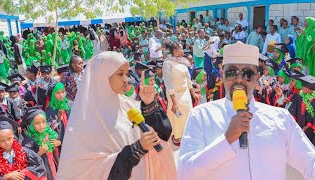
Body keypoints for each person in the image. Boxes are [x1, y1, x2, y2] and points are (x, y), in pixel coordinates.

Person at [178, 41, 315, 179]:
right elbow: (185, 173)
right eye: (231, 72)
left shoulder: (281, 118)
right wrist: (226, 139)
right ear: (222, 74)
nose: (239, 79)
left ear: (257, 77)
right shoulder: (201, 116)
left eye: (248, 73)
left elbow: (311, 162)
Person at [57, 51, 176, 179]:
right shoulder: (84, 119)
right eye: (120, 74)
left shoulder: (129, 106)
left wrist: (149, 103)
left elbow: (163, 135)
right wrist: (136, 149)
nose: (126, 79)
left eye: (126, 73)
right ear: (102, 76)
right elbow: (86, 171)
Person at [163, 42, 200, 146]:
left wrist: (193, 94)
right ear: (175, 51)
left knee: (188, 113)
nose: (183, 51)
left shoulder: (183, 63)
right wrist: (174, 102)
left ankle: (187, 134)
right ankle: (177, 136)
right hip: (174, 96)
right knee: (177, 116)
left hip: (186, 94)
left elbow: (188, 80)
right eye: (181, 49)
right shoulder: (167, 64)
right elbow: (169, 84)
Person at [0, 115, 47, 180]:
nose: (7, 143)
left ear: (13, 136)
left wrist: (23, 173)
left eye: (9, 138)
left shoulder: (24, 152)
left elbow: (39, 168)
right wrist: (6, 177)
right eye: (2, 140)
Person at [21, 107, 61, 180]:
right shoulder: (28, 141)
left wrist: (59, 143)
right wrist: (40, 152)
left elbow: (57, 141)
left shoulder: (49, 133)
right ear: (31, 125)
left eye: (43, 122)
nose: (41, 125)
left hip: (53, 162)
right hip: (43, 168)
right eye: (37, 123)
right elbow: (26, 160)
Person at [45, 82, 71, 153]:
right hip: (59, 143)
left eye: (63, 92)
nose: (61, 95)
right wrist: (58, 120)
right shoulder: (50, 110)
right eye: (58, 93)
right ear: (53, 94)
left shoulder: (70, 105)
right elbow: (47, 129)